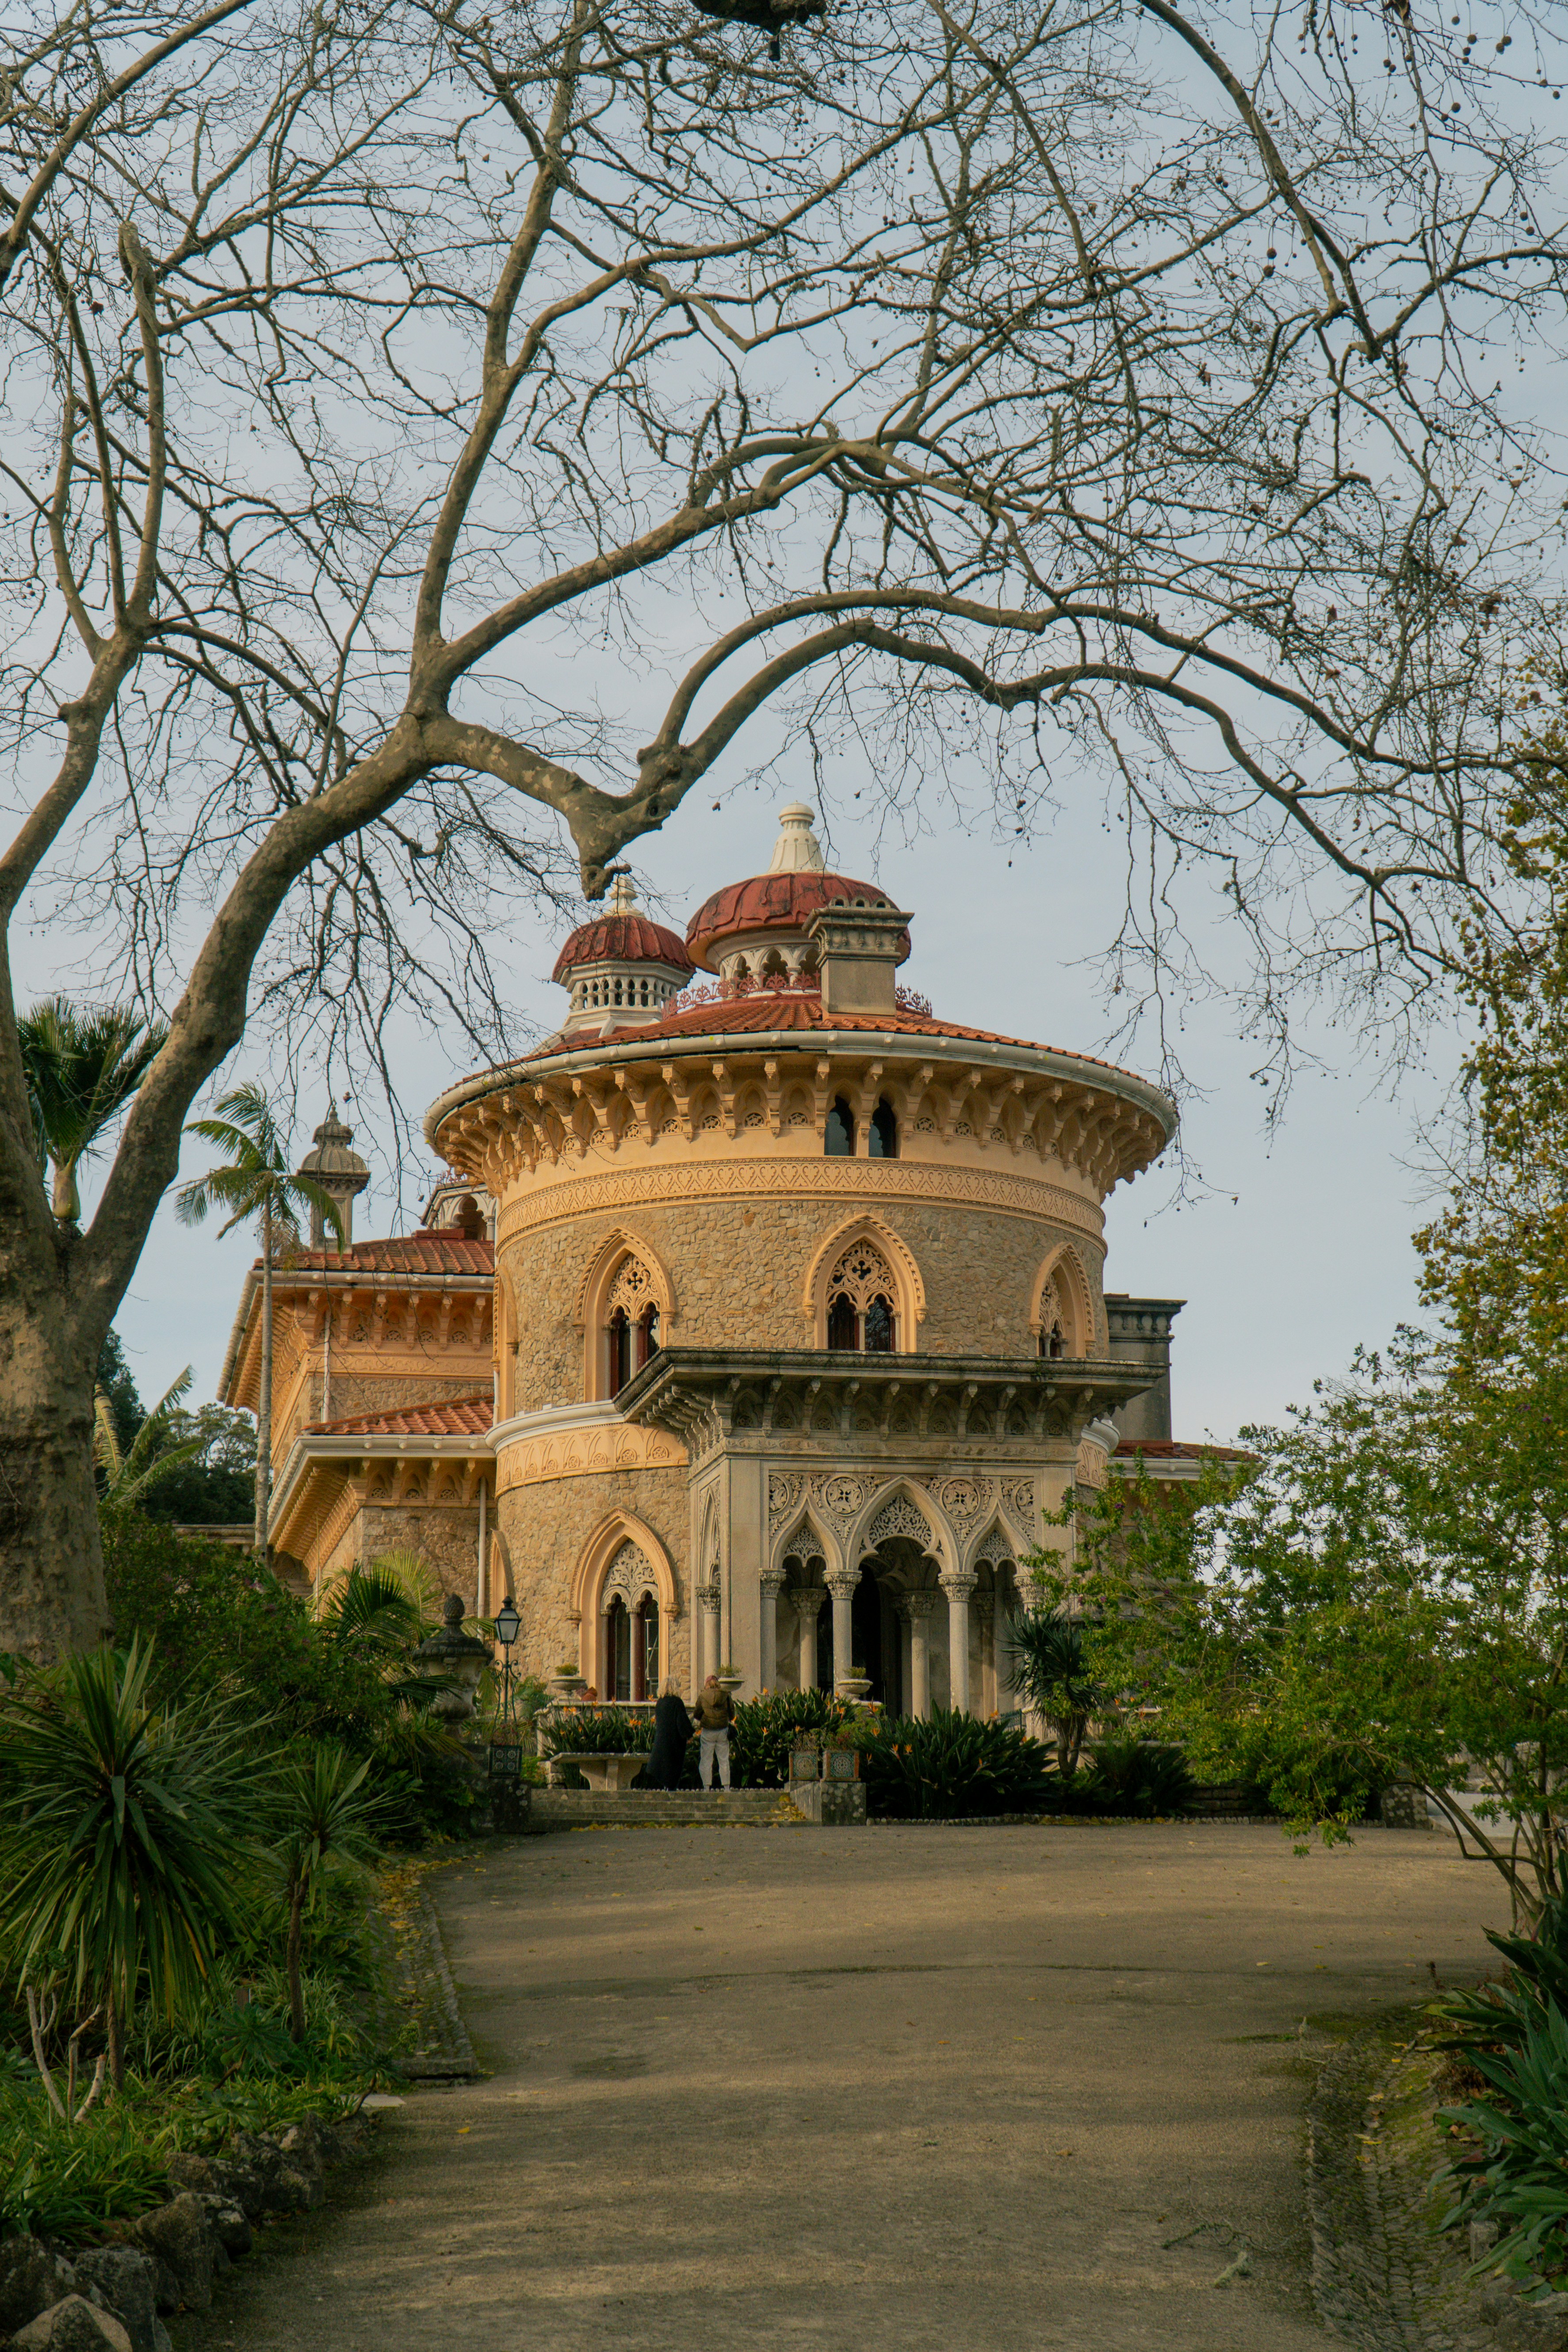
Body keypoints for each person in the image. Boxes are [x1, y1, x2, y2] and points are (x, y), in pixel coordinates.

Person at [643, 1680, 693, 1791]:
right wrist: (689, 1735)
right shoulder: (677, 1702)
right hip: (675, 1741)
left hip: (662, 1739)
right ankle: (670, 1789)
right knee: (673, 1768)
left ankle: (666, 1787)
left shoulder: (660, 1703)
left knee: (663, 1766)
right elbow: (681, 1721)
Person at [693, 1674, 735, 1791]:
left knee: (706, 1760)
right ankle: (727, 1787)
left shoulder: (702, 1696)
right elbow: (732, 1713)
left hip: (708, 1731)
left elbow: (697, 1714)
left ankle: (707, 1787)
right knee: (724, 1759)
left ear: (707, 1684)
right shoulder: (726, 1695)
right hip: (723, 1731)